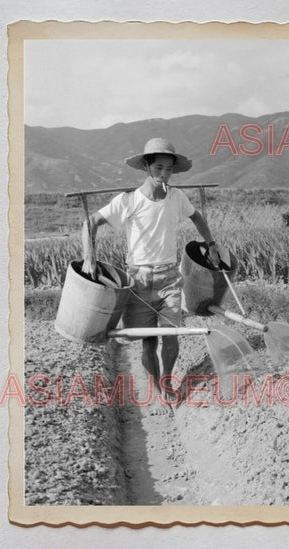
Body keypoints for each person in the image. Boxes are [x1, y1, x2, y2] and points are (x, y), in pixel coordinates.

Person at [81, 137, 222, 406]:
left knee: (171, 336)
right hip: (139, 280)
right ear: (146, 166)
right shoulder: (128, 201)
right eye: (159, 168)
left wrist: (211, 244)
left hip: (169, 277)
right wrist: (90, 256)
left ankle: (167, 380)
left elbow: (196, 217)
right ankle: (156, 386)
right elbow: (90, 223)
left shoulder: (178, 197)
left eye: (169, 169)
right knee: (148, 341)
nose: (164, 174)